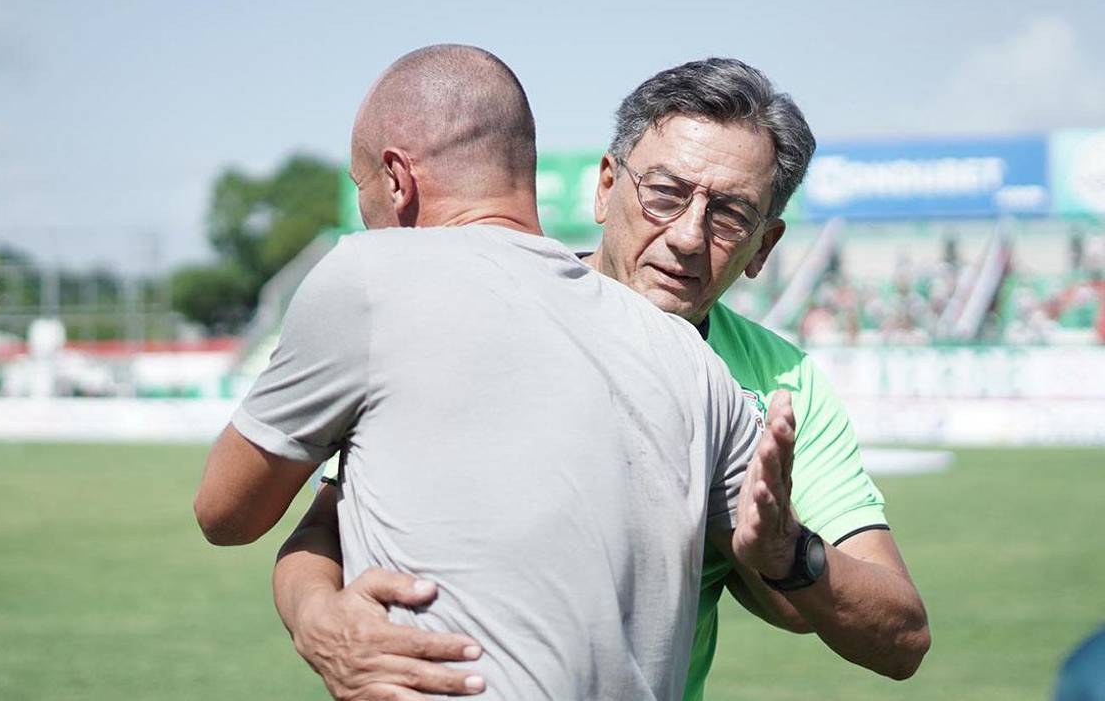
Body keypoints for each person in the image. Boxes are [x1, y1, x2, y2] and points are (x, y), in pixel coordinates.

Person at [273, 58, 931, 700]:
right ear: (606, 186)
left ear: (764, 247)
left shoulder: (782, 384)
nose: (687, 236)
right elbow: (322, 526)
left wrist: (789, 552)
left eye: (730, 215)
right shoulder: (482, 307)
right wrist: (317, 622)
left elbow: (902, 636)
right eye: (665, 194)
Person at [195, 45, 795, 700]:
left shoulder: (368, 279)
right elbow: (797, 598)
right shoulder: (692, 358)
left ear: (396, 179)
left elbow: (226, 513)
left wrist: (314, 614)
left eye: (361, 183)